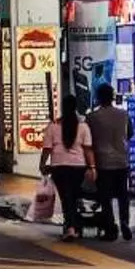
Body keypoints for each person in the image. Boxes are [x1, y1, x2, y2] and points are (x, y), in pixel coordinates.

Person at [83, 82, 134, 242]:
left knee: (105, 197)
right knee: (123, 195)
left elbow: (88, 139)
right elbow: (130, 134)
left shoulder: (91, 117)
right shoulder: (124, 114)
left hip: (103, 161)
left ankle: (111, 228)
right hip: (122, 160)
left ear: (98, 98)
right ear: (112, 97)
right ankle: (125, 222)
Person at [40, 96, 93, 241]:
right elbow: (88, 149)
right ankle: (73, 226)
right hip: (78, 167)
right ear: (76, 107)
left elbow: (47, 149)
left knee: (66, 198)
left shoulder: (53, 126)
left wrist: (42, 164)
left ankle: (70, 227)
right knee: (73, 197)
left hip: (59, 167)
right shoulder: (83, 127)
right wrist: (92, 167)